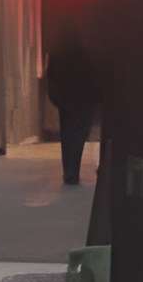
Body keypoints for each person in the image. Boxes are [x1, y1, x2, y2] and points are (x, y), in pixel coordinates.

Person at [43, 33, 101, 186]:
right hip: (83, 98)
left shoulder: (58, 49)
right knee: (78, 134)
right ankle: (72, 169)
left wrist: (55, 95)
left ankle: (69, 170)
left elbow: (51, 74)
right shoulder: (89, 48)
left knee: (67, 134)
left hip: (66, 97)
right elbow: (95, 73)